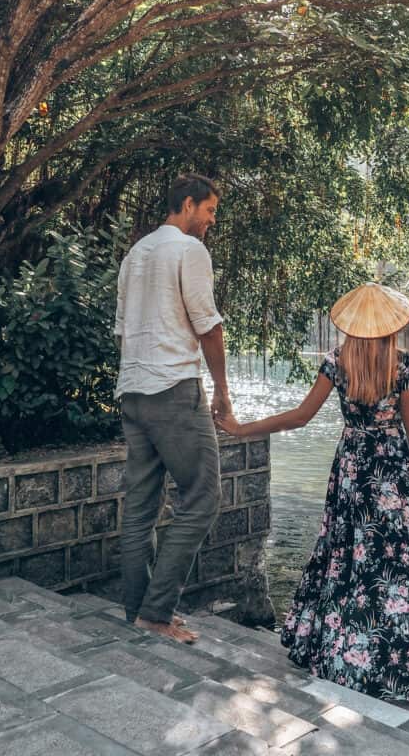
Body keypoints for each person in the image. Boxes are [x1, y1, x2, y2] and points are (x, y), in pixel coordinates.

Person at [216, 282, 409, 700]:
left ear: (353, 325)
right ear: (391, 326)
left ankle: (348, 653)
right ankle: (400, 661)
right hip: (395, 472)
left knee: (349, 558)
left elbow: (301, 417)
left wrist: (243, 428)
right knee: (399, 566)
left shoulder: (337, 362)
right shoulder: (402, 364)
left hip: (353, 472)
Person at [114, 173, 231, 644]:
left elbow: (123, 331)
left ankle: (137, 612)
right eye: (209, 211)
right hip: (172, 389)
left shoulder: (134, 255)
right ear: (187, 204)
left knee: (140, 507)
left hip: (133, 391)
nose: (211, 221)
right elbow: (208, 326)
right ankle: (157, 613)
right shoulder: (188, 251)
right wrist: (222, 390)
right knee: (203, 497)